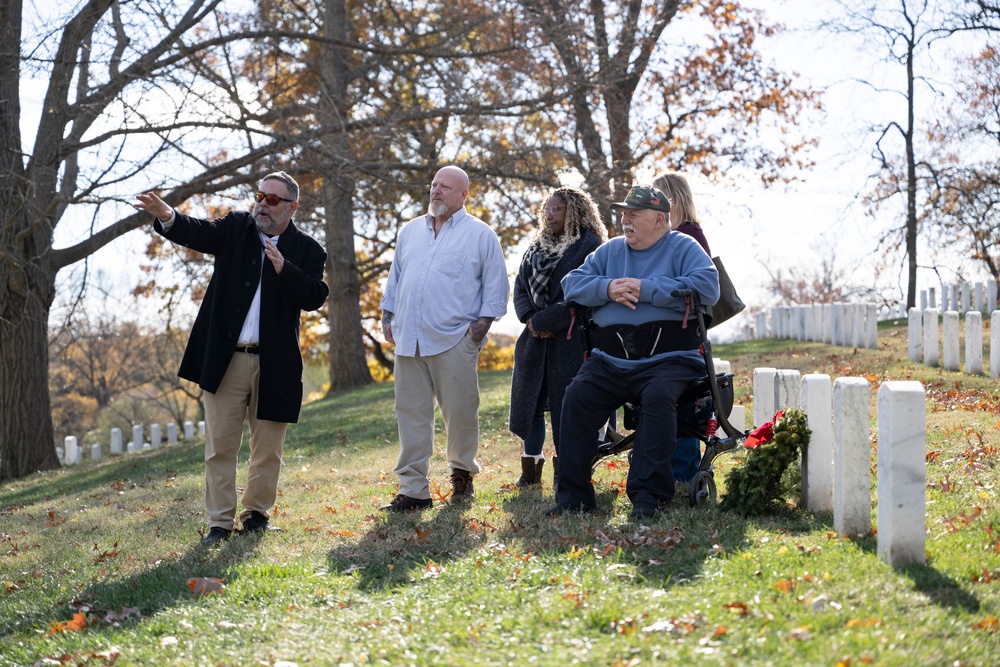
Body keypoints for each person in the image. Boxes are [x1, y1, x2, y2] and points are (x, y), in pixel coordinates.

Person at [135, 172, 329, 545]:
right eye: (260, 196)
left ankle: (256, 515)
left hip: (275, 365)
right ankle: (220, 524)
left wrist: (281, 267)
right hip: (227, 360)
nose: (262, 204)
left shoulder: (308, 249)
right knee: (220, 447)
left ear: (292, 207)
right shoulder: (237, 227)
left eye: (273, 200)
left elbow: (314, 295)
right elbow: (200, 232)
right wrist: (167, 216)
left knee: (267, 449)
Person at [546, 184, 719, 521]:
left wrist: (648, 290)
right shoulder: (610, 252)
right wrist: (607, 288)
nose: (625, 219)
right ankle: (573, 497)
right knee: (576, 397)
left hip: (669, 358)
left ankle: (647, 497)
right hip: (610, 358)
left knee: (657, 398)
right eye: (623, 213)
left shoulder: (683, 247)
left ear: (659, 219)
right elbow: (571, 284)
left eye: (634, 214)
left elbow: (709, 286)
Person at [379, 166, 509, 512]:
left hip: (454, 338)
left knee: (461, 413)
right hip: (409, 339)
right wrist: (388, 316)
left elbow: (496, 293)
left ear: (463, 195)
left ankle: (462, 476)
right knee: (411, 415)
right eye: (435, 185)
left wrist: (474, 335)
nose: (436, 191)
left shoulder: (481, 235)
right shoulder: (409, 231)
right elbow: (396, 279)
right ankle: (413, 489)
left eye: (446, 187)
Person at [508, 188, 607, 488]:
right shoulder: (536, 245)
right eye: (546, 209)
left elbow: (584, 295)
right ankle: (531, 470)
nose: (548, 214)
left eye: (556, 209)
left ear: (575, 211)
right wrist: (530, 319)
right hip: (534, 341)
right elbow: (520, 288)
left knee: (568, 408)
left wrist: (545, 319)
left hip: (572, 341)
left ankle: (569, 470)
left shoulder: (590, 245)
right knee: (532, 405)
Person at [652, 172, 711, 481]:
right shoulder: (677, 234)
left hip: (685, 335)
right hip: (668, 333)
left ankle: (684, 472)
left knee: (685, 403)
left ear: (672, 200)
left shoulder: (688, 235)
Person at [652, 172, 710, 255]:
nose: (650, 204)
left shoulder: (687, 237)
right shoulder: (675, 234)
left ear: (673, 200)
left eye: (655, 199)